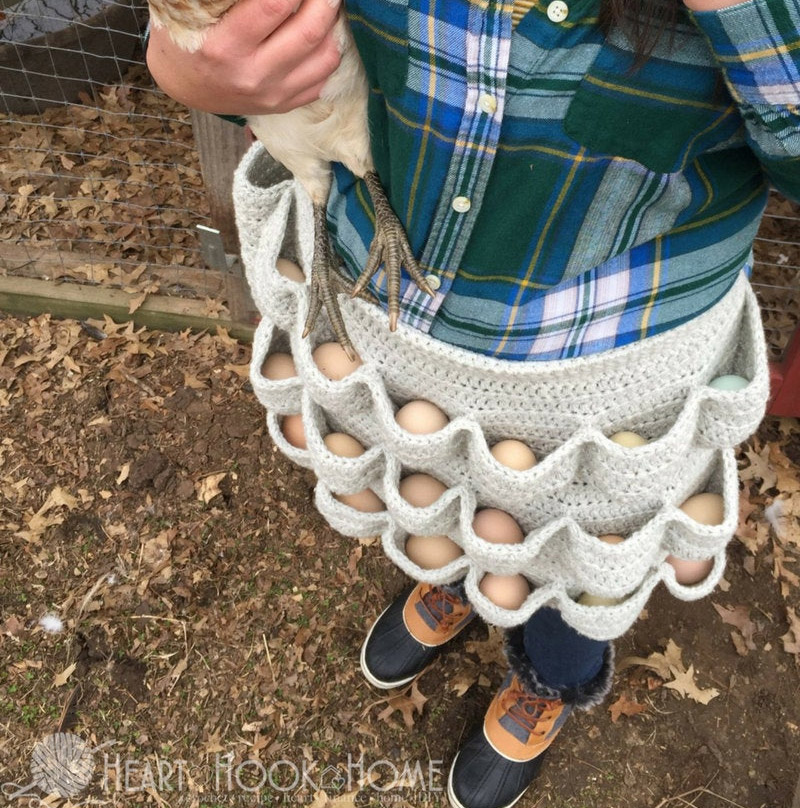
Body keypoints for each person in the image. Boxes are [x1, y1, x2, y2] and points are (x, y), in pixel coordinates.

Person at [147, 0, 791, 803]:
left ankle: (550, 677)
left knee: (575, 556)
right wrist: (186, 62)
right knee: (445, 501)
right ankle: (456, 576)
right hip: (397, 318)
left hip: (608, 376)